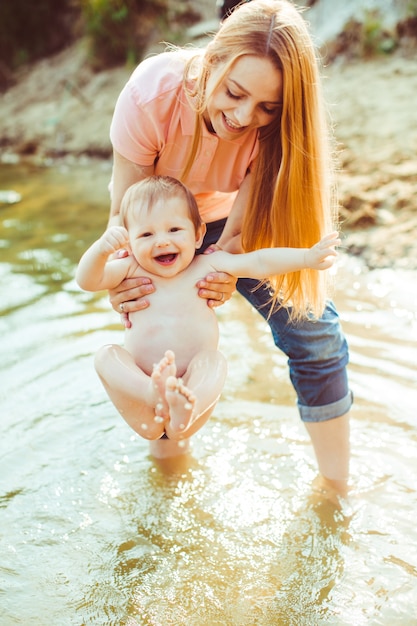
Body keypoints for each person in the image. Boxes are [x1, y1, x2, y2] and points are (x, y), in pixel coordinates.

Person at [104, 0, 352, 496]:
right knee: (160, 341)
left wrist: (226, 269)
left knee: (314, 334)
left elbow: (241, 235)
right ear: (213, 58)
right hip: (161, 226)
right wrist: (123, 277)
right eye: (236, 94)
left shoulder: (277, 128)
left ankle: (336, 488)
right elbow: (126, 212)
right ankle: (169, 475)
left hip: (234, 223)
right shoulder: (153, 94)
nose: (243, 117)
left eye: (266, 107)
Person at [76, 175, 340, 459]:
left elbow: (258, 261)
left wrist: (307, 258)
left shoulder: (209, 264)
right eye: (146, 235)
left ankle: (183, 407)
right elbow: (87, 280)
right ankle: (155, 393)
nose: (161, 241)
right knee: (106, 355)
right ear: (128, 242)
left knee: (213, 360)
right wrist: (102, 249)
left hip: (194, 392)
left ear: (199, 234)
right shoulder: (128, 269)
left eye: (174, 229)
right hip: (141, 395)